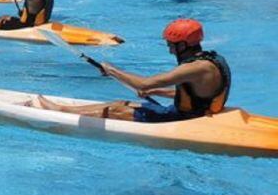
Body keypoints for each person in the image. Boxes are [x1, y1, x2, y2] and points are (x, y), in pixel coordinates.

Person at [32, 19, 231, 123]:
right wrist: (157, 92)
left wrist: (112, 70)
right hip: (193, 112)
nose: (170, 49)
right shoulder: (211, 60)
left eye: (172, 44)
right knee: (124, 103)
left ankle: (60, 111)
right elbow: (197, 97)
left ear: (183, 45)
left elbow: (144, 83)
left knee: (116, 110)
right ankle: (65, 109)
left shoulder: (194, 68)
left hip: (184, 120)